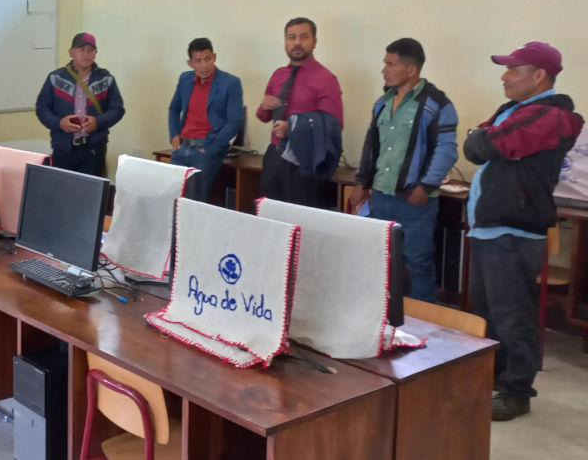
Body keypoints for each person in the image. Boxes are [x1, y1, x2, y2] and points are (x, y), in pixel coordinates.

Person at [463, 42, 583, 421]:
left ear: (539, 75)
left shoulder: (551, 115)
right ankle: (495, 377)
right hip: (489, 226)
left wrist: (481, 136)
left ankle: (517, 392)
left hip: (513, 229)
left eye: (514, 70)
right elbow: (475, 144)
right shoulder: (513, 110)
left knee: (513, 314)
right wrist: (481, 136)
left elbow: (488, 142)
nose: (505, 76)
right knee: (486, 311)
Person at [350, 39, 458, 303]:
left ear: (411, 70)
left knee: (418, 262)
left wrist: (426, 186)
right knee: (380, 259)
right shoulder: (383, 102)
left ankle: (422, 318)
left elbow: (446, 150)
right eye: (385, 63)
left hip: (414, 200)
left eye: (390, 64)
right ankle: (382, 313)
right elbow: (371, 146)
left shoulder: (437, 104)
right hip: (381, 196)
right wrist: (361, 182)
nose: (384, 70)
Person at [256, 17, 344, 208]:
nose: (297, 42)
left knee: (299, 217)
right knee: (269, 213)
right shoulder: (278, 75)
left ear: (314, 41)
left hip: (305, 160)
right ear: (285, 41)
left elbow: (334, 125)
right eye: (291, 37)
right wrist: (263, 107)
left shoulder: (326, 79)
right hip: (274, 155)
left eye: (304, 37)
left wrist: (294, 128)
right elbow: (263, 117)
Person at [35, 32, 125, 177]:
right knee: (63, 187)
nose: (86, 54)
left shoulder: (106, 79)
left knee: (93, 189)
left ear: (96, 53)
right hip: (63, 148)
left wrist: (98, 122)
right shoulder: (55, 78)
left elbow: (117, 109)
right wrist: (59, 123)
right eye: (81, 49)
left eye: (90, 50)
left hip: (94, 148)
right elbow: (42, 109)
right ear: (71, 52)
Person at [166, 38, 244, 200]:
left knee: (194, 200)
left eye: (207, 59)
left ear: (214, 57)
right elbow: (174, 109)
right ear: (190, 63)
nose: (204, 65)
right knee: (173, 197)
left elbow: (235, 121)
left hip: (206, 149)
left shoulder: (230, 83)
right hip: (181, 147)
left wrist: (212, 148)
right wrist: (174, 135)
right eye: (198, 61)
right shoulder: (185, 79)